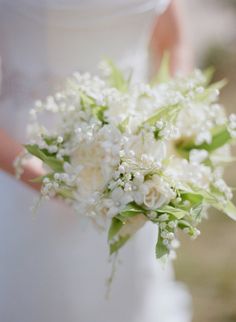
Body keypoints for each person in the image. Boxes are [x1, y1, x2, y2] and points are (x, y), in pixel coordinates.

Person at [0, 1, 193, 321]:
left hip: (133, 162)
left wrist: (169, 124)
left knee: (123, 294)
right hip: (23, 158)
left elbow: (174, 43)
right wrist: (49, 180)